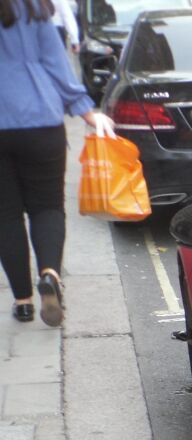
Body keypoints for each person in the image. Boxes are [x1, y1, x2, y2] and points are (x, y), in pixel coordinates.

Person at [1, 0, 115, 326]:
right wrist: (86, 111)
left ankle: (23, 301)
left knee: (5, 216)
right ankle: (49, 273)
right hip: (41, 121)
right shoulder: (34, 7)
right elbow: (56, 64)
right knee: (47, 207)